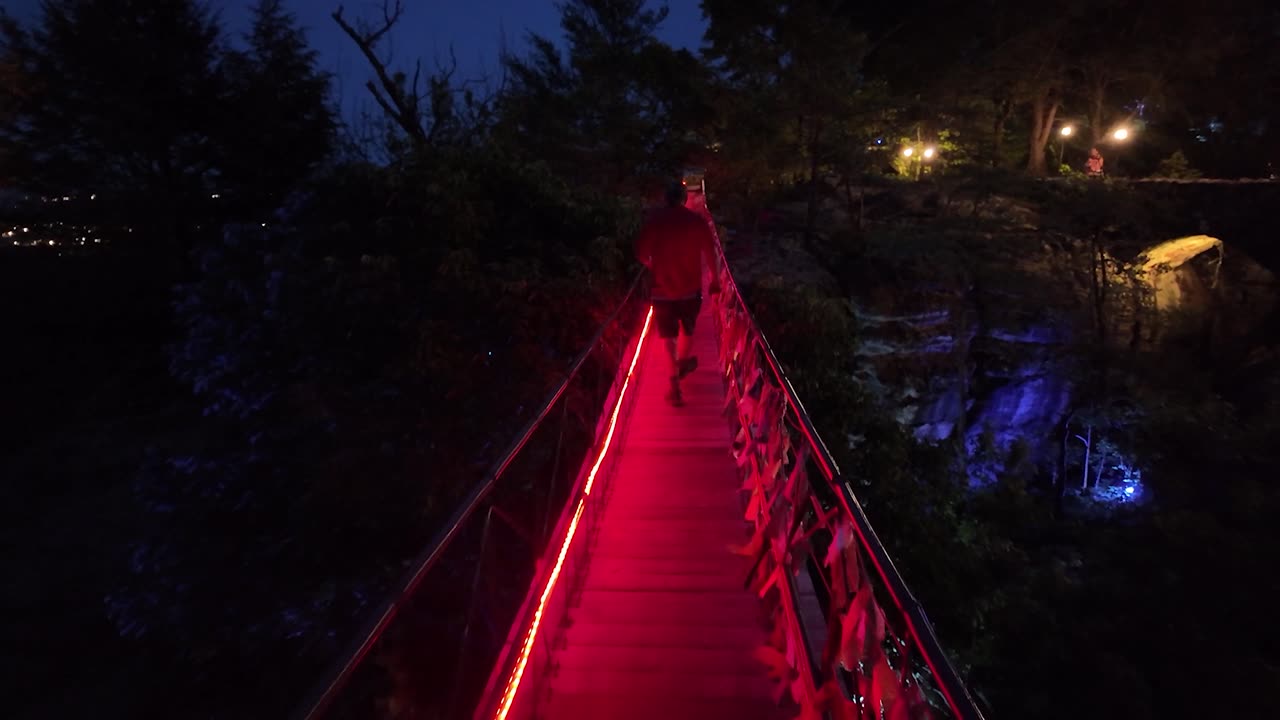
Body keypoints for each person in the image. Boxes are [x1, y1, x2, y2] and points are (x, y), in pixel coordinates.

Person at [635, 180, 719, 406]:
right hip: (690, 290)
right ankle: (681, 364)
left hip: (661, 290)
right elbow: (711, 253)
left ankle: (674, 380)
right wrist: (716, 280)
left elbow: (642, 254)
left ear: (665, 199)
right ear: (684, 199)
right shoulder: (697, 222)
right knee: (687, 329)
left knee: (667, 337)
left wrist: (655, 265)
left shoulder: (655, 222)